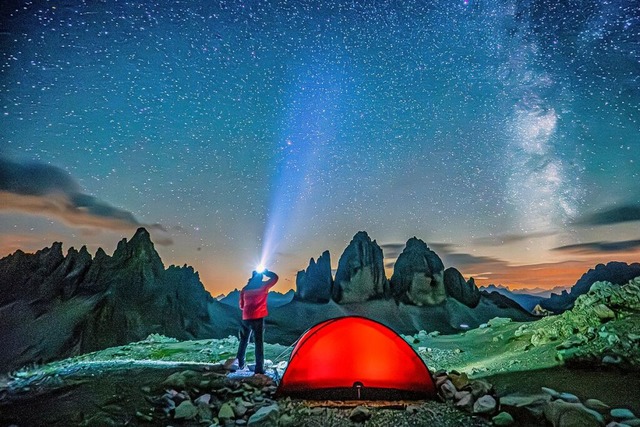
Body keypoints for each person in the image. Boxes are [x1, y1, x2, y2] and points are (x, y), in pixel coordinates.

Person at [230, 268, 278, 375]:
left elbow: (241, 306)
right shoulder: (263, 286)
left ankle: (240, 364)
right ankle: (259, 369)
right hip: (258, 318)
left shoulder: (245, 288)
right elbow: (275, 278)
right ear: (261, 277)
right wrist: (266, 272)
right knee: (258, 343)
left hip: (246, 318)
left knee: (243, 341)